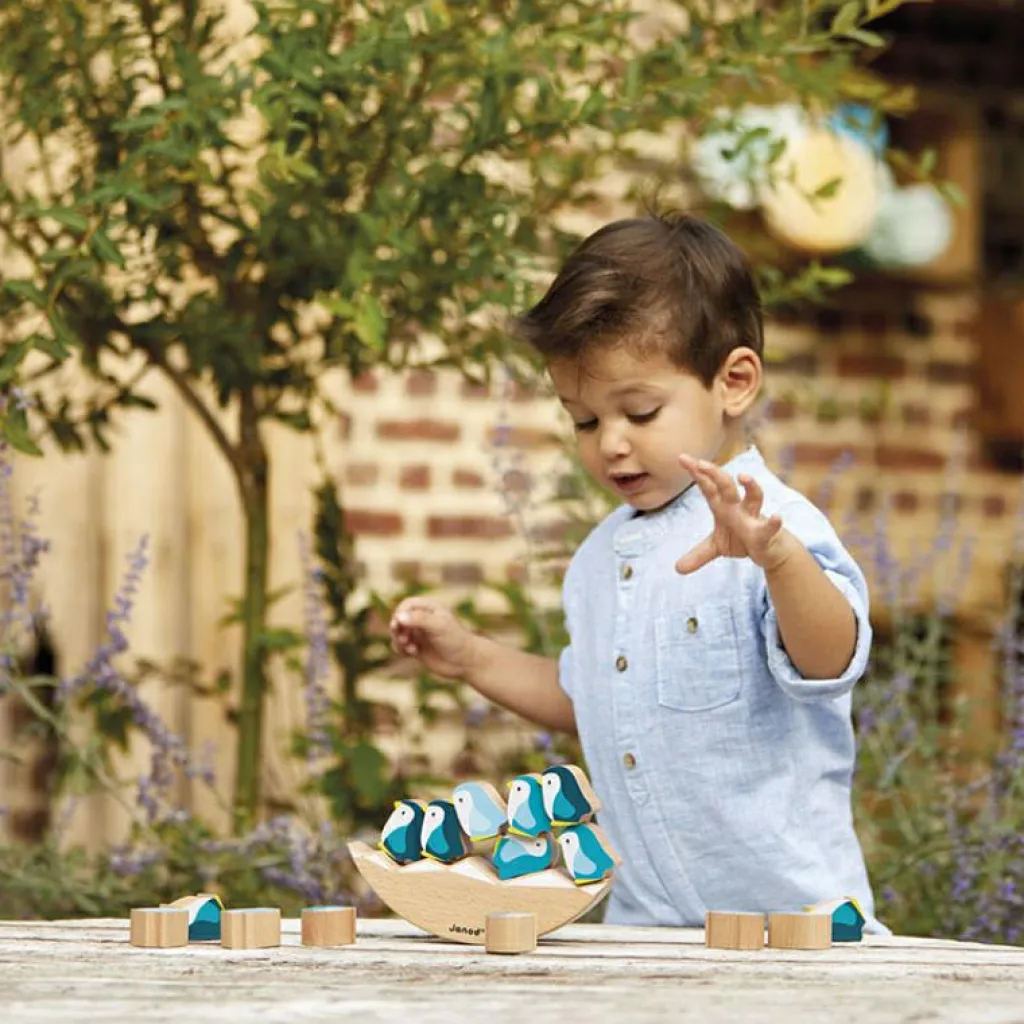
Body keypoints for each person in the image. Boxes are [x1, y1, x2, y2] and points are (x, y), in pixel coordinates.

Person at [389, 210, 883, 931]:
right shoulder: (598, 560)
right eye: (585, 421)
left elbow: (832, 658)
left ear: (733, 382)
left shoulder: (772, 526)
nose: (611, 445)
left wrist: (777, 561)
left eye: (641, 412)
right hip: (646, 928)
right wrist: (470, 657)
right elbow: (593, 699)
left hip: (792, 928)